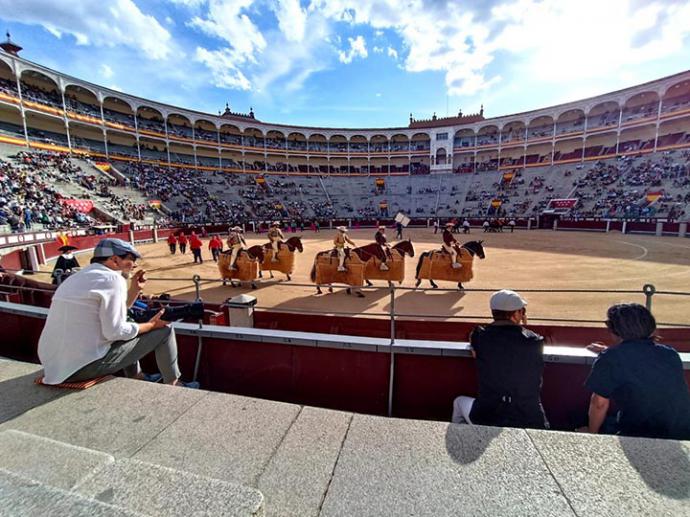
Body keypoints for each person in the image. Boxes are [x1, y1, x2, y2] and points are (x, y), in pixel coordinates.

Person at [37, 238, 196, 387]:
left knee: (128, 329)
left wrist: (134, 290)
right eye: (130, 260)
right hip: (80, 368)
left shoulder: (76, 278)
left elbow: (115, 316)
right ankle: (174, 385)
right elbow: (115, 331)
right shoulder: (112, 279)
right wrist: (151, 325)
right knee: (164, 331)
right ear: (114, 260)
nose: (133, 265)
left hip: (54, 366)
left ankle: (138, 377)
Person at [585, 303, 690, 439]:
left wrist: (591, 434)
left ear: (616, 330)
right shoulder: (670, 353)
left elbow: (599, 403)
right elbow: (640, 361)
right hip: (682, 433)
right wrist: (609, 351)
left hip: (640, 434)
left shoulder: (611, 358)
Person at [452, 290, 549, 429]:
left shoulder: (480, 336)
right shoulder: (535, 341)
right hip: (529, 418)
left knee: (459, 402)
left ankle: (465, 441)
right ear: (516, 314)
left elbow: (477, 350)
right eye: (522, 311)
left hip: (489, 416)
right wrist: (522, 326)